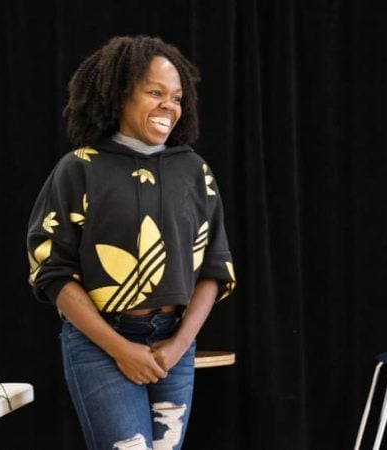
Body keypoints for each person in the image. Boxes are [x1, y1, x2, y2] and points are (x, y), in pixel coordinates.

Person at [26, 35, 236, 450]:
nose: (169, 106)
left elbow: (215, 270)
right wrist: (121, 348)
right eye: (154, 92)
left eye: (176, 97)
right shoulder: (80, 168)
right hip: (101, 342)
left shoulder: (194, 171)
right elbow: (52, 273)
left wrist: (179, 345)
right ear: (120, 96)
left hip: (173, 342)